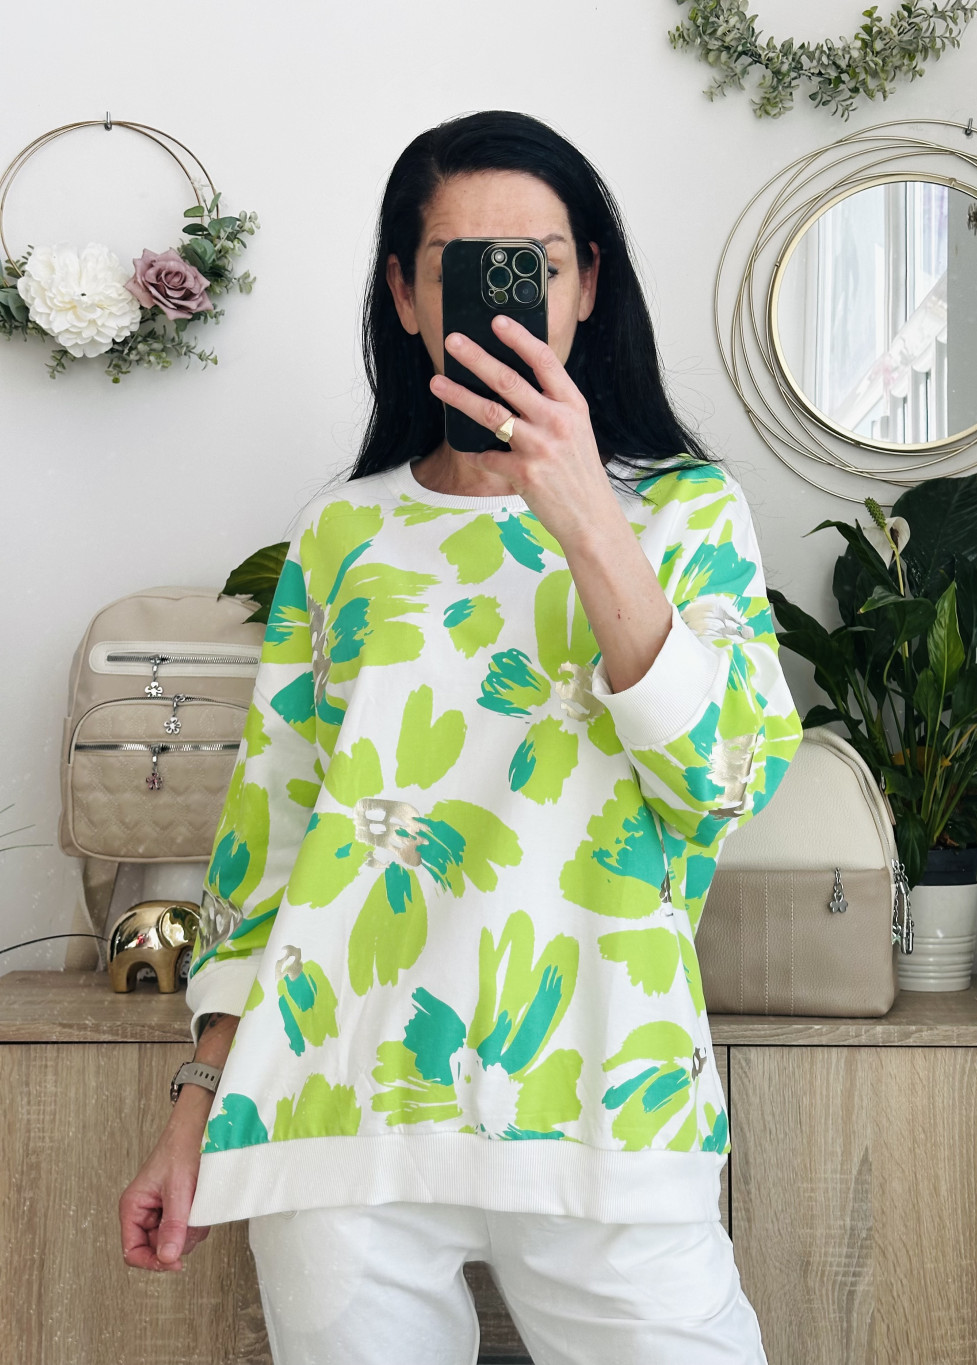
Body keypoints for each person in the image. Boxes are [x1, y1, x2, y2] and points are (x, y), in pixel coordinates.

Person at [120, 109, 802, 1365]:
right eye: (461, 267)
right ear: (404, 293)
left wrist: (587, 515)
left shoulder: (686, 513)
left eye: (536, 264)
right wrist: (199, 1098)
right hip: (335, 1097)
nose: (505, 298)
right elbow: (272, 842)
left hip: (607, 1089)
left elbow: (725, 779)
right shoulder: (341, 533)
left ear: (585, 285)